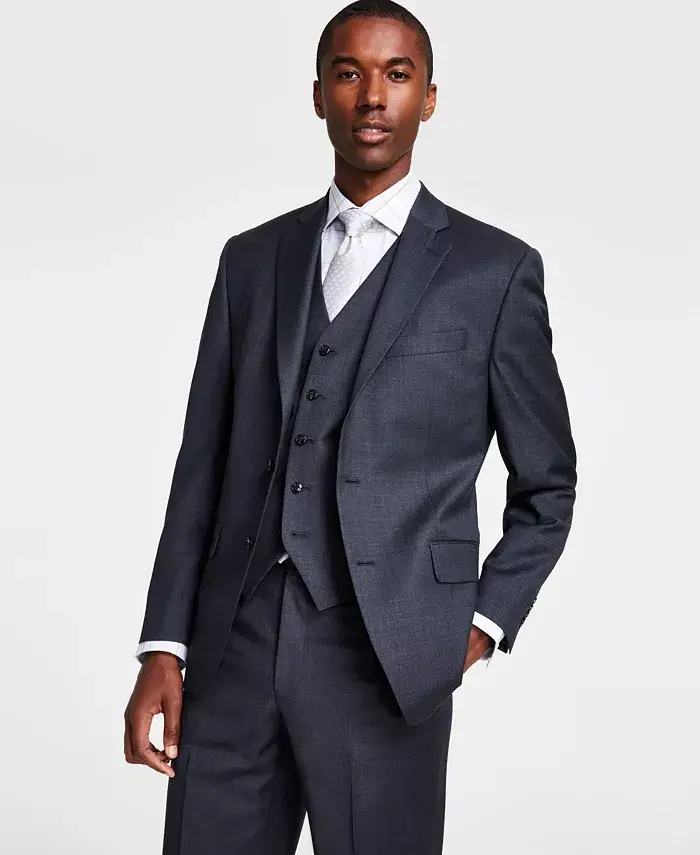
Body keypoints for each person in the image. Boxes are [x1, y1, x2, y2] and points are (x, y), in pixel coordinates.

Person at [124, 2, 577, 852]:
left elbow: (548, 486)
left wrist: (477, 626)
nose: (372, 96)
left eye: (397, 75)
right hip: (233, 648)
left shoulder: (494, 271)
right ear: (318, 95)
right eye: (349, 74)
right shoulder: (251, 260)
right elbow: (202, 467)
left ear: (428, 98)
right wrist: (163, 643)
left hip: (391, 657)